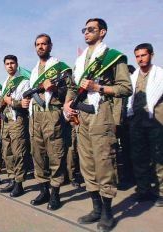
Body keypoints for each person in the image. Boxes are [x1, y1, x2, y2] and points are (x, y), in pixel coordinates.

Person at [63, 18, 132, 231]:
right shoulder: (81, 59)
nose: (86, 33)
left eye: (91, 29)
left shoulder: (113, 58)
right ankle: (95, 208)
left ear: (102, 32)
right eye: (84, 29)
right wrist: (67, 103)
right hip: (82, 116)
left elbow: (125, 87)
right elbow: (73, 87)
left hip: (102, 113)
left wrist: (98, 87)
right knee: (87, 163)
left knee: (104, 162)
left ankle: (108, 212)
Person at [26, 34, 71, 210]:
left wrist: (55, 88)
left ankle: (55, 194)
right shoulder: (34, 70)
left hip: (52, 115)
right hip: (35, 116)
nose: (41, 47)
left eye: (44, 44)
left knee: (55, 155)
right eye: (37, 44)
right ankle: (43, 190)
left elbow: (70, 91)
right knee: (38, 155)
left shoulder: (60, 67)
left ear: (50, 46)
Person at [127, 43, 163, 207]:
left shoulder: (160, 75)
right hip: (137, 123)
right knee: (139, 157)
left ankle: (160, 192)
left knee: (159, 158)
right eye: (138, 56)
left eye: (143, 55)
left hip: (156, 123)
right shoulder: (133, 78)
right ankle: (143, 191)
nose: (140, 59)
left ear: (151, 55)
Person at [0, 55, 30, 197]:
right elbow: (3, 100)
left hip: (18, 120)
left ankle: (19, 183)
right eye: (7, 64)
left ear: (17, 64)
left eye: (12, 63)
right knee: (7, 151)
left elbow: (25, 103)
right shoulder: (5, 83)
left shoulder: (24, 81)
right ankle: (11, 179)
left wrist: (11, 102)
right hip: (6, 120)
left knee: (18, 152)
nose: (10, 66)